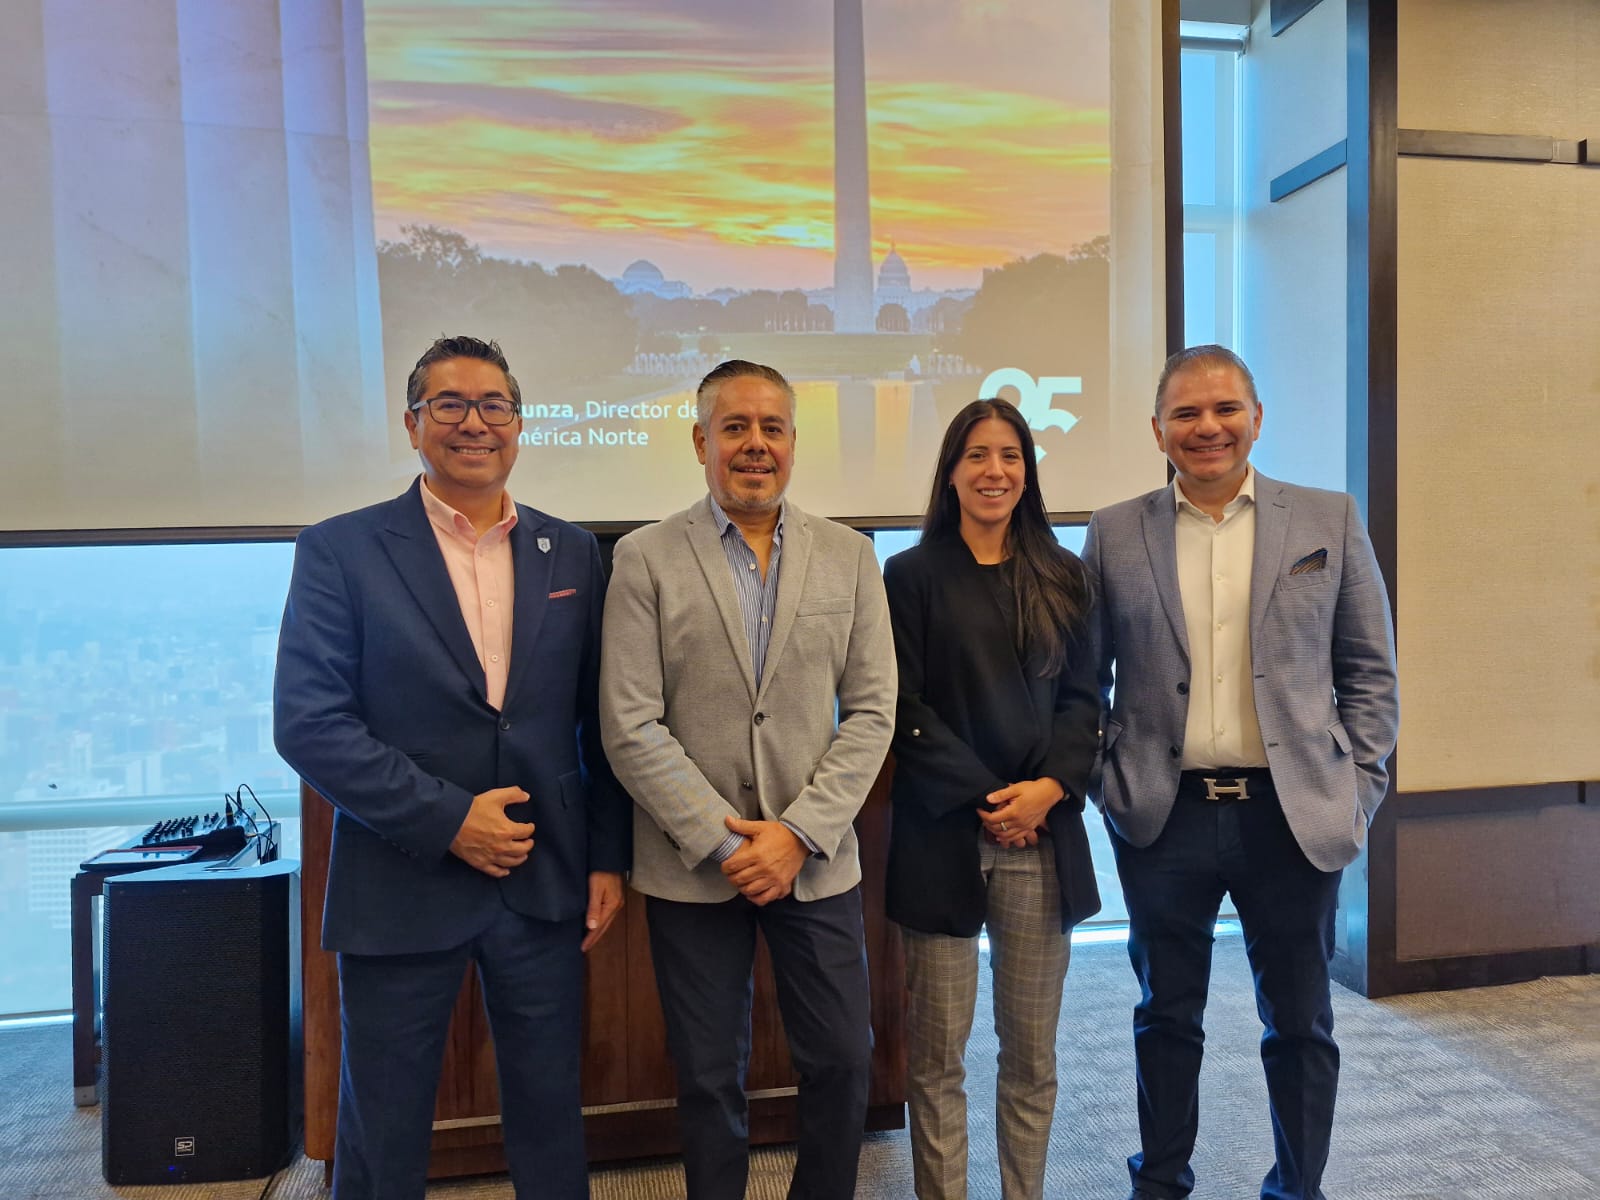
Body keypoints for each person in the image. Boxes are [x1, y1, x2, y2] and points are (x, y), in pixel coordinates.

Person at [273, 335, 629, 1200]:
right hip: (400, 883)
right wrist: (449, 820)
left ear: (519, 423)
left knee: (551, 1118)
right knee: (383, 1129)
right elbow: (308, 724)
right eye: (450, 405)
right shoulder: (341, 550)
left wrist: (607, 856)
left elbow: (597, 722)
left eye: (493, 405)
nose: (475, 423)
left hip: (542, 882)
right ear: (412, 424)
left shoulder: (571, 552)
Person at [1083, 345, 1399, 1200]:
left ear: (1257, 418)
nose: (1207, 427)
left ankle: (1298, 1188)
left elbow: (1370, 673)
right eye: (1185, 413)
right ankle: (1161, 1182)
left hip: (1291, 812)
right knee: (1165, 1015)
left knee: (1300, 1021)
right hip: (1165, 813)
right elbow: (1086, 679)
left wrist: (1357, 787)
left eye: (1225, 409)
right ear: (1158, 430)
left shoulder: (1328, 518)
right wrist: (1110, 781)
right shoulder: (1114, 532)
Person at [599, 359, 896, 1200]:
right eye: (735, 427)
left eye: (772, 428)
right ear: (701, 442)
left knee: (843, 1060)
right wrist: (726, 842)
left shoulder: (851, 556)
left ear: (794, 443)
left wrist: (798, 834)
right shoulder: (644, 558)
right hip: (694, 864)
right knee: (707, 1075)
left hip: (815, 857)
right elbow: (629, 722)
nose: (755, 444)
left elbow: (872, 711)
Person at [883, 398, 1103, 1200]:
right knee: (938, 1055)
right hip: (944, 836)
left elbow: (1086, 700)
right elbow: (901, 707)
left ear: (1027, 472)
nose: (994, 471)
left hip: (1040, 836)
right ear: (951, 471)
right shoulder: (909, 575)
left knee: (1031, 1052)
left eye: (1009, 455)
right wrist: (990, 798)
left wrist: (1046, 792)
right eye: (977, 455)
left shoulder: (1064, 575)